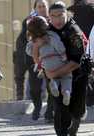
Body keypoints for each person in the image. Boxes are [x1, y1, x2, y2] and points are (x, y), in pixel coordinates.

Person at [33, 1, 87, 135]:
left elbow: (76, 61)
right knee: (60, 108)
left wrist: (53, 73)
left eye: (60, 15)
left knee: (76, 108)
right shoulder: (46, 30)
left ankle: (76, 122)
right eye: (53, 16)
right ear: (49, 16)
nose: (57, 19)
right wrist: (37, 46)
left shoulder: (74, 32)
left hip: (77, 73)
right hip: (54, 76)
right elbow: (34, 51)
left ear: (66, 14)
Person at [26, 16, 72, 106]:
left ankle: (53, 83)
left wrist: (36, 45)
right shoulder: (50, 35)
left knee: (51, 74)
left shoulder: (34, 40)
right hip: (57, 59)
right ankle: (66, 91)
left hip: (46, 62)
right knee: (67, 76)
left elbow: (28, 51)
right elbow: (58, 44)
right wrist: (63, 54)